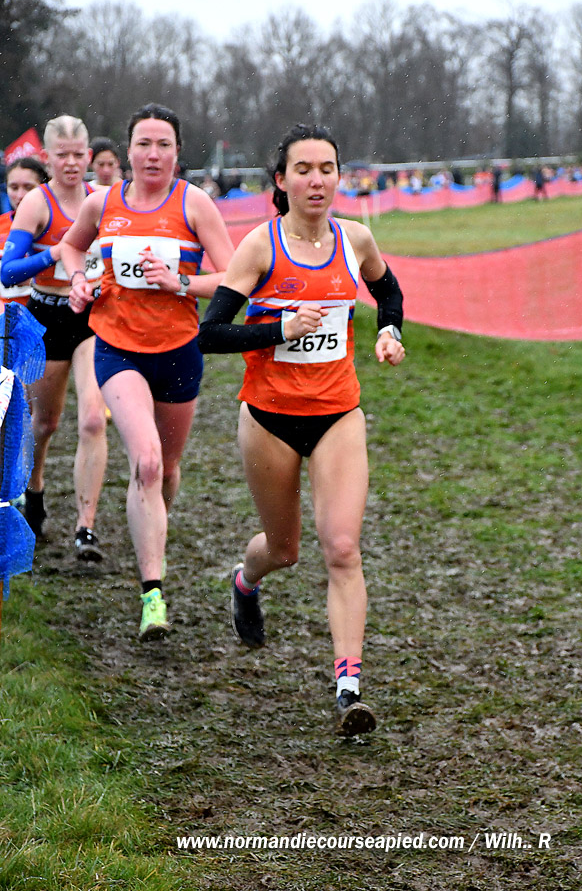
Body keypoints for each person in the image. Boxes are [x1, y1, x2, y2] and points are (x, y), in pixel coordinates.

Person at [198, 123, 405, 737]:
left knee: (342, 547)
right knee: (283, 550)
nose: (317, 180)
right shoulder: (260, 248)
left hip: (339, 413)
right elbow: (210, 335)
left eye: (327, 169)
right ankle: (246, 581)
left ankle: (349, 689)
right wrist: (280, 329)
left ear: (339, 177)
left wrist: (388, 329)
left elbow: (387, 288)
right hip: (269, 419)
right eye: (304, 169)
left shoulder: (355, 239)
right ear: (282, 180)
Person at [63, 103, 234, 641]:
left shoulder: (194, 203)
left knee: (168, 468)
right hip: (118, 350)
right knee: (149, 460)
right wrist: (79, 281)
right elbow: (73, 246)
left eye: (164, 145)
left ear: (177, 152)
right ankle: (152, 596)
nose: (153, 154)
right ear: (129, 150)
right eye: (144, 143)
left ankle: (150, 524)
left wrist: (180, 283)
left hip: (179, 351)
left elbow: (234, 277)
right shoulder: (103, 202)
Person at [1, 116, 108, 561]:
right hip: (47, 316)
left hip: (92, 319)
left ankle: (86, 527)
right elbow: (8, 271)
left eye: (78, 154)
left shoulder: (102, 200)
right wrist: (55, 253)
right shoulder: (37, 203)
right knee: (44, 424)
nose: (71, 163)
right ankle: (36, 489)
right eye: (61, 155)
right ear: (47, 157)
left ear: (89, 156)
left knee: (93, 419)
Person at [0, 157, 49, 307]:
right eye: (14, 187)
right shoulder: (1, 224)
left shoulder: (57, 226)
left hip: (45, 311)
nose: (20, 195)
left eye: (28, 187)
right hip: (5, 313)